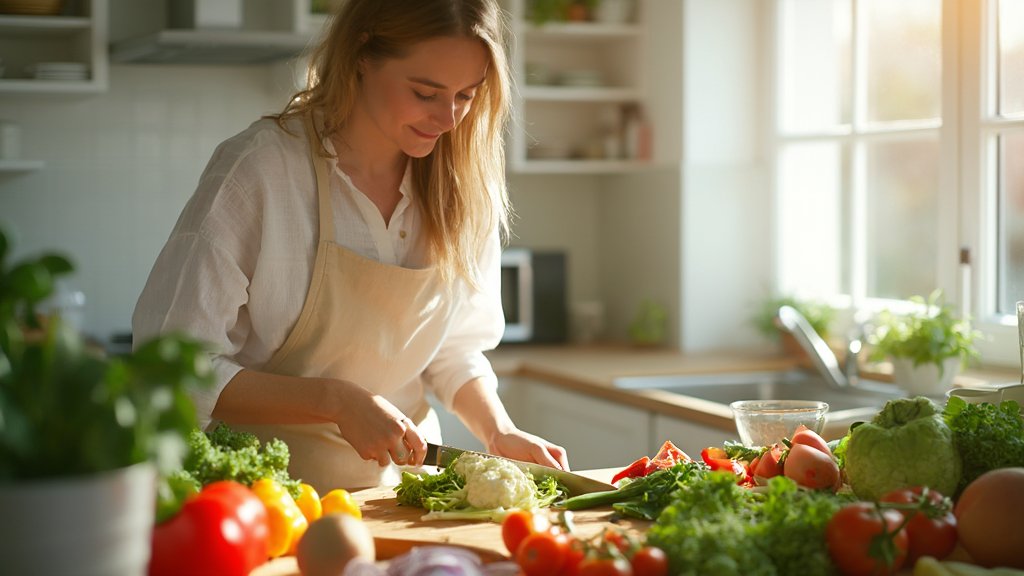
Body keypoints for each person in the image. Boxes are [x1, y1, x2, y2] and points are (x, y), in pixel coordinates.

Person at [133, 0, 568, 492]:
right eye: (425, 92)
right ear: (363, 53)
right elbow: (171, 366)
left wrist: (498, 431)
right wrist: (335, 401)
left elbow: (453, 347)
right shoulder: (260, 171)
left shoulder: (464, 185)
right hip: (266, 499)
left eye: (466, 95)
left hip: (401, 495)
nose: (448, 118)